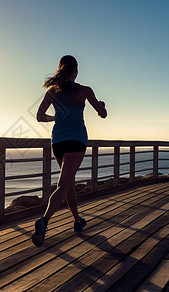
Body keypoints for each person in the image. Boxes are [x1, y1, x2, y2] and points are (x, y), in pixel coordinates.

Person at [32, 55, 107, 247]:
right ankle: (44, 220)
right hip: (76, 141)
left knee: (68, 183)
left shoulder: (52, 91)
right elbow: (103, 114)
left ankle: (77, 221)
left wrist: (56, 119)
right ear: (76, 71)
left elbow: (40, 116)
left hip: (58, 142)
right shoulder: (85, 90)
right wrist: (102, 106)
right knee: (63, 185)